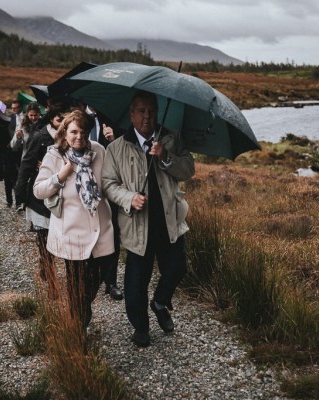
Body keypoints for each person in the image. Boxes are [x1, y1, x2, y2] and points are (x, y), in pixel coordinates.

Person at [102, 91, 195, 347]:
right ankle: (141, 328)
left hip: (169, 222)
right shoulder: (116, 148)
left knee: (177, 268)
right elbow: (108, 184)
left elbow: (189, 169)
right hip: (137, 226)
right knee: (134, 287)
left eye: (151, 110)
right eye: (141, 111)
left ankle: (160, 303)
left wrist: (166, 156)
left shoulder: (170, 139)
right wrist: (129, 197)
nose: (147, 116)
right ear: (131, 115)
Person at [33, 109, 114, 329]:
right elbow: (38, 191)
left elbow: (108, 184)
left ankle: (79, 310)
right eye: (74, 132)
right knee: (76, 286)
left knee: (98, 277)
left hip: (101, 228)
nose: (79, 137)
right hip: (71, 232)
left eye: (83, 132)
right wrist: (62, 175)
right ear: (65, 133)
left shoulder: (98, 151)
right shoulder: (54, 154)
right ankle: (78, 331)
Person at [16, 107, 64, 295]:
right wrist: (20, 193)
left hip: (61, 198)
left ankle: (45, 266)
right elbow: (26, 164)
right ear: (52, 119)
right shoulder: (39, 137)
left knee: (57, 240)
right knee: (44, 239)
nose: (64, 123)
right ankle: (52, 283)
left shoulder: (70, 138)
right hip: (40, 197)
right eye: (60, 119)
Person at [85, 104, 123, 301]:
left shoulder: (112, 120)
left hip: (108, 188)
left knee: (112, 232)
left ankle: (111, 281)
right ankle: (88, 277)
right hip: (82, 191)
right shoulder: (76, 120)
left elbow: (122, 157)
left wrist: (112, 140)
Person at [11, 102, 42, 212]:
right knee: (21, 185)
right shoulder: (23, 127)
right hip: (26, 160)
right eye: (31, 115)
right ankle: (21, 203)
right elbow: (13, 146)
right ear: (27, 115)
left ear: (39, 114)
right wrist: (18, 138)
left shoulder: (43, 126)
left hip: (40, 161)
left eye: (36, 115)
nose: (34, 118)